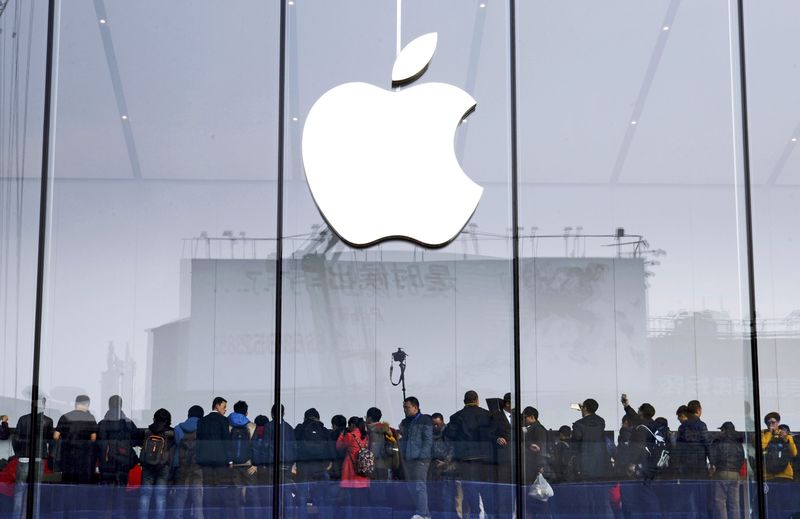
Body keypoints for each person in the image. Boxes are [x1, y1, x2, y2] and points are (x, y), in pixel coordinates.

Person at [445, 390, 492, 519]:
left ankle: (475, 516)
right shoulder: (488, 415)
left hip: (466, 460)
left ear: (464, 401)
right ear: (477, 400)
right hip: (485, 459)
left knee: (471, 492)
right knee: (487, 491)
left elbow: (449, 435)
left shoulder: (456, 417)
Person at [12, 396, 55, 519]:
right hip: (38, 458)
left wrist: (19, 453)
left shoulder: (23, 419)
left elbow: (15, 439)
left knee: (19, 490)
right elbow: (50, 441)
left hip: (24, 458)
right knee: (36, 491)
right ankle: (34, 516)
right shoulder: (48, 421)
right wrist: (47, 455)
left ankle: (16, 517)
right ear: (44, 405)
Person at [96, 395, 139, 517]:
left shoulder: (102, 424)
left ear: (109, 405)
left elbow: (98, 444)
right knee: (121, 492)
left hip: (106, 462)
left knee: (105, 492)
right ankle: (120, 515)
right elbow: (136, 440)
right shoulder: (128, 423)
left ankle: (105, 515)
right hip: (123, 461)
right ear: (121, 405)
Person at [572, 398, 612, 517]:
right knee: (600, 498)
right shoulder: (601, 422)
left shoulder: (579, 424)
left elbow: (576, 443)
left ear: (584, 408)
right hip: (601, 464)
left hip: (585, 465)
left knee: (587, 498)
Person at [196, 397, 232, 518]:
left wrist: (199, 458)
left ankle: (208, 515)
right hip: (221, 461)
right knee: (220, 489)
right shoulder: (223, 420)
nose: (225, 409)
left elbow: (199, 441)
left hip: (205, 460)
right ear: (217, 406)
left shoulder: (202, 421)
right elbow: (226, 441)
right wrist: (230, 459)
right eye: (224, 406)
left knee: (207, 489)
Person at [294, 408, 333, 519]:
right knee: (321, 497)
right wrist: (328, 464)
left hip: (303, 467)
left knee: (301, 497)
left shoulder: (300, 428)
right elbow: (330, 448)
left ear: (305, 417)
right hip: (319, 468)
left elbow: (292, 445)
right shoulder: (324, 430)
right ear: (318, 417)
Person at [676, 400, 710, 518]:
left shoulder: (682, 427)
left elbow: (678, 447)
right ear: (698, 410)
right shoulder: (702, 425)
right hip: (700, 465)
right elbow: (707, 443)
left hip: (686, 466)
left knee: (687, 496)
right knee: (701, 497)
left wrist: (679, 465)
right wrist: (712, 461)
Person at [139, 408, 174, 519]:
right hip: (163, 466)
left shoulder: (147, 432)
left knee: (145, 495)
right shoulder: (171, 433)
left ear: (154, 418)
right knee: (161, 497)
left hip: (147, 466)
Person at [173, 405, 205, 519]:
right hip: (198, 467)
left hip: (182, 467)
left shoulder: (178, 428)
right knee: (198, 501)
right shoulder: (203, 428)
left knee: (180, 498)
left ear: (188, 414)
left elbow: (177, 443)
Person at [336, 416, 370, 519]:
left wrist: (342, 434)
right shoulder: (365, 436)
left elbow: (339, 446)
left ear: (352, 425)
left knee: (351, 502)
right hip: (363, 471)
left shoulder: (350, 435)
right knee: (362, 503)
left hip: (352, 471)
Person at [229, 401, 258, 519]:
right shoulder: (252, 426)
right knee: (253, 494)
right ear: (246, 412)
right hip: (248, 464)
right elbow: (255, 447)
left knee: (236, 496)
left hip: (234, 465)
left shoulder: (229, 425)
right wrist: (255, 464)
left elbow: (227, 446)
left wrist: (230, 462)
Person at [710, 422, 744, 519]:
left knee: (720, 501)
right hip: (735, 474)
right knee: (734, 503)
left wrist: (715, 465)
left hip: (721, 472)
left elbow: (713, 456)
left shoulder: (719, 440)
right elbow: (742, 458)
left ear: (724, 430)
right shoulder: (738, 441)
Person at [489, 393, 514, 519]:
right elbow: (490, 434)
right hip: (503, 459)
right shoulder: (496, 417)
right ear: (507, 403)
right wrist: (497, 438)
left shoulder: (518, 417)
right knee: (503, 492)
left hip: (516, 459)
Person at [365, 407, 393, 508]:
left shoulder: (372, 430)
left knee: (376, 493)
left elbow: (374, 450)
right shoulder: (385, 429)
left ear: (369, 418)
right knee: (382, 491)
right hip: (385, 464)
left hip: (375, 465)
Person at [428, 412, 454, 516]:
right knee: (434, 495)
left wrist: (446, 462)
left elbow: (453, 448)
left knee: (446, 497)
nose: (435, 426)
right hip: (433, 466)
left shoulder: (448, 432)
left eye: (437, 424)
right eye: (433, 424)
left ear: (442, 422)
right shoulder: (431, 433)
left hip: (445, 468)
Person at [761, 412, 796, 481]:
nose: (771, 425)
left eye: (773, 422)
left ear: (778, 422)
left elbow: (794, 453)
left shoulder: (786, 436)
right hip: (768, 475)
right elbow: (762, 447)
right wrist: (769, 433)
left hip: (785, 474)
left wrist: (786, 439)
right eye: (768, 423)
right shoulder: (764, 435)